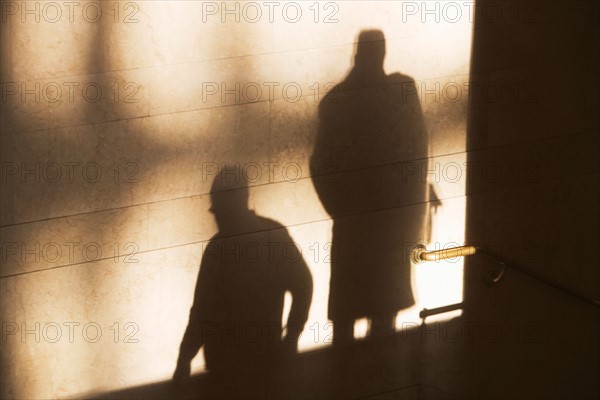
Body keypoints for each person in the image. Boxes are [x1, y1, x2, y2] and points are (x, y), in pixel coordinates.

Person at [310, 30, 430, 344]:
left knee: (349, 311)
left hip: (356, 223)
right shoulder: (400, 92)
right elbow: (415, 154)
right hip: (388, 222)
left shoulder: (336, 101)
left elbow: (320, 166)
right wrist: (412, 205)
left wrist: (342, 211)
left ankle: (344, 382)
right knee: (383, 313)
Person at [173, 169, 313, 397]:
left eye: (218, 210)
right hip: (265, 363)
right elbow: (303, 284)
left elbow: (201, 312)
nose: (217, 218)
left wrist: (184, 359)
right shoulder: (273, 235)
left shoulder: (217, 249)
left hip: (225, 370)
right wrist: (291, 336)